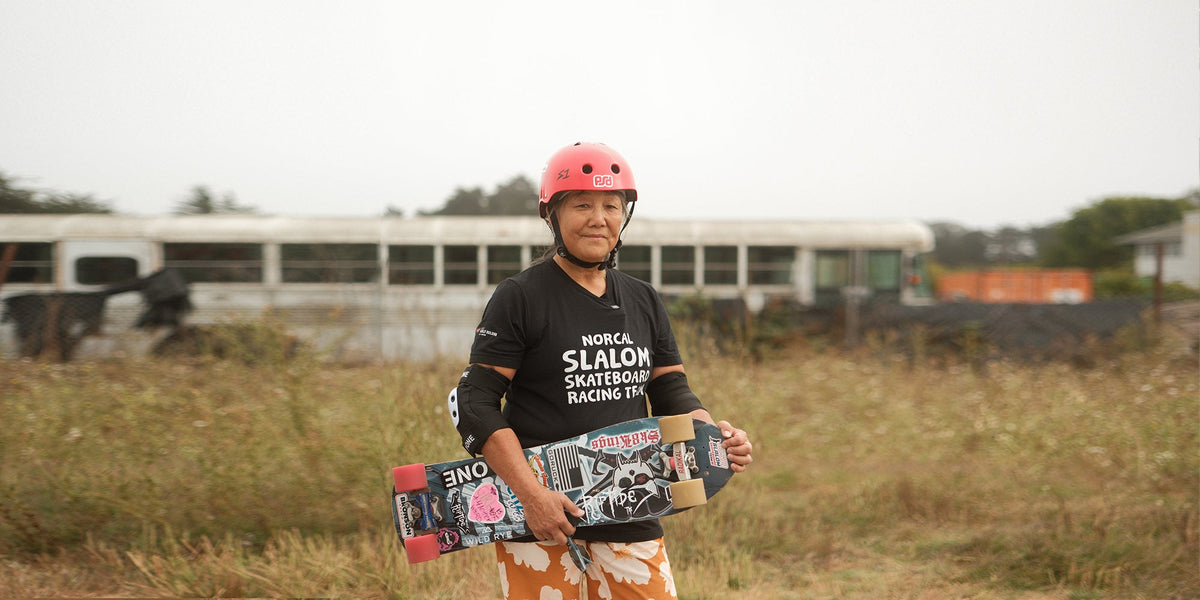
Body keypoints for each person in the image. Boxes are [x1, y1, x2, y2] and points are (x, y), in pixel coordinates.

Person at [450, 142, 753, 599]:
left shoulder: (643, 299)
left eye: (612, 205)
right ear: (550, 214)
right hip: (541, 518)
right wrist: (532, 497)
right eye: (582, 204)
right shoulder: (521, 296)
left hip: (632, 506)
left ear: (624, 216)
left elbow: (671, 390)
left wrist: (714, 436)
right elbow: (474, 402)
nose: (599, 217)